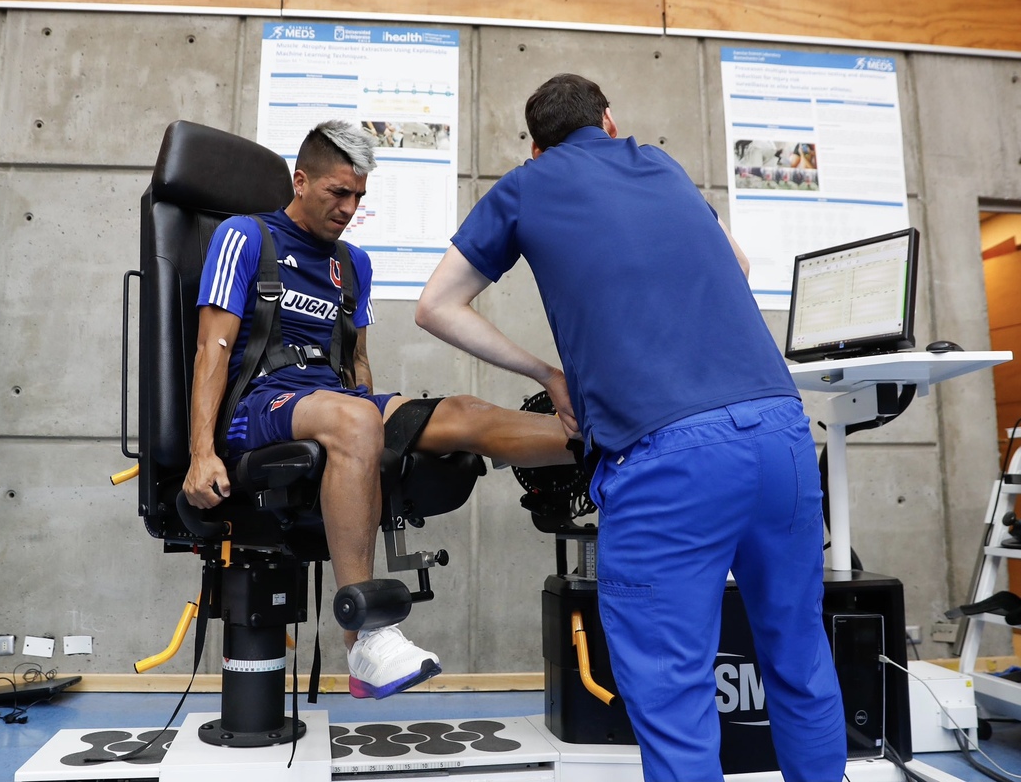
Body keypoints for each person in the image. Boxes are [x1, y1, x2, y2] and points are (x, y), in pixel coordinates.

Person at [415, 74, 846, 781]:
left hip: (669, 460)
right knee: (798, 655)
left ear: (534, 145)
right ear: (610, 122)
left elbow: (436, 306)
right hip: (781, 436)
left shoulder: (526, 185)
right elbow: (737, 264)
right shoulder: (663, 164)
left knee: (675, 693)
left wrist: (549, 376)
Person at [183, 120, 574, 701]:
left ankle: (601, 439)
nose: (349, 207)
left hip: (334, 403)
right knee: (356, 417)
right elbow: (210, 351)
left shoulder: (353, 263)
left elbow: (357, 364)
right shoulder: (246, 236)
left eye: (359, 196)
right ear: (301, 180)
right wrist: (201, 453)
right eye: (338, 193)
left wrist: (387, 442)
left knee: (460, 413)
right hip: (257, 407)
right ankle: (365, 641)